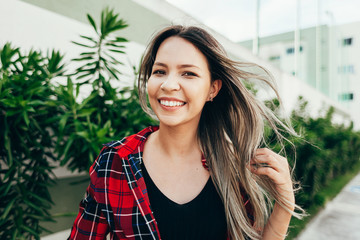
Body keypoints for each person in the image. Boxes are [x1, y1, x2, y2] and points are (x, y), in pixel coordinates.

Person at [68, 25, 303, 240]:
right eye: (160, 71)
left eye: (188, 73)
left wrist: (285, 205)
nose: (168, 84)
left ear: (213, 88)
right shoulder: (115, 161)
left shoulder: (232, 165)